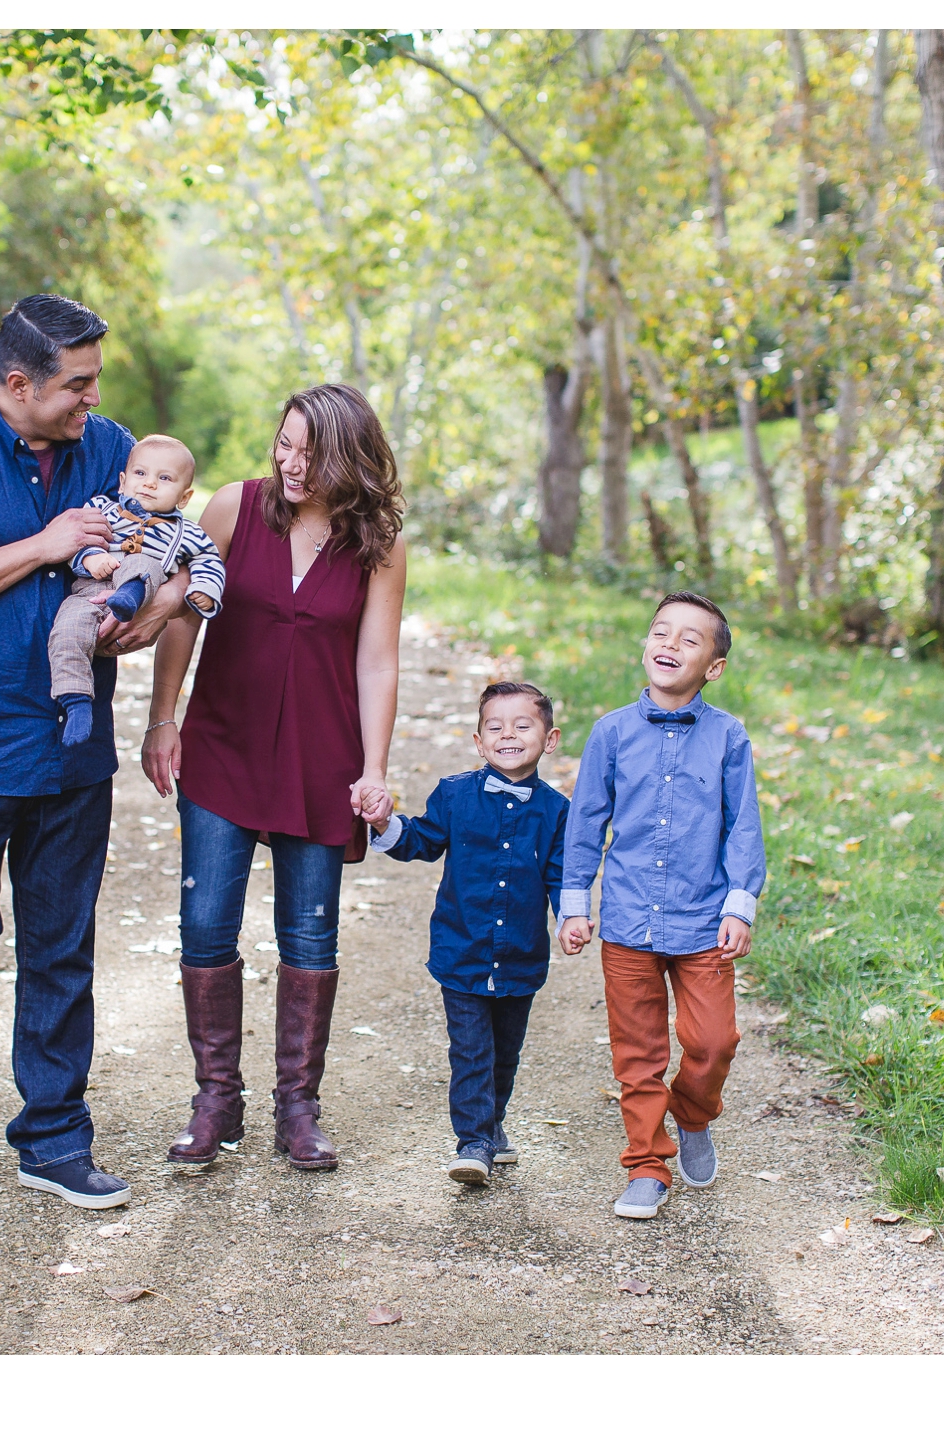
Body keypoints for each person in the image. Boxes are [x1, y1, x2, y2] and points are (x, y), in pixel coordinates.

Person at [0, 294, 194, 1211]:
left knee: (60, 944)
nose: (94, 402)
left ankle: (54, 1133)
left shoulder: (113, 449)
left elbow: (177, 557)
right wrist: (43, 546)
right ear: (18, 383)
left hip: (69, 749)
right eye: (77, 386)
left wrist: (159, 613)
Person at [140, 384, 407, 1174]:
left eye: (310, 452)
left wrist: (375, 766)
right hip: (223, 745)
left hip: (323, 758)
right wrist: (164, 717)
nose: (291, 463)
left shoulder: (378, 541)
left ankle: (299, 1107)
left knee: (311, 935)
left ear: (348, 458)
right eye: (284, 445)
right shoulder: (232, 507)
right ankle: (216, 1100)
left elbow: (378, 656)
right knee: (208, 925)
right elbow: (185, 613)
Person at [558, 592, 766, 1221]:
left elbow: (743, 825)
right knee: (638, 1052)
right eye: (660, 632)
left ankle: (694, 1113)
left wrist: (739, 904)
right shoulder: (611, 732)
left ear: (715, 666)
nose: (670, 645)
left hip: (703, 920)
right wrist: (575, 904)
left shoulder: (729, 736)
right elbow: (586, 822)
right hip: (627, 920)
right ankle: (647, 1164)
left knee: (713, 1041)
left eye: (690, 639)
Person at [354, 681, 570, 1186]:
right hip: (461, 951)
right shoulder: (454, 795)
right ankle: (472, 1141)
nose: (508, 735)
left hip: (520, 953)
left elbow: (561, 874)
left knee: (505, 1052)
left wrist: (570, 916)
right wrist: (386, 823)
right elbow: (423, 842)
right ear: (478, 741)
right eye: (494, 727)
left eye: (522, 725)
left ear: (550, 738)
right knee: (470, 1049)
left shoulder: (558, 811)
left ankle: (492, 1125)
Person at [48, 435, 225, 747]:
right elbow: (73, 543)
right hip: (89, 592)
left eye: (165, 478)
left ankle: (128, 595)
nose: (149, 484)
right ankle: (75, 700)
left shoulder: (186, 532)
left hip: (141, 592)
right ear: (122, 480)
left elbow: (208, 558)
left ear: (184, 497)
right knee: (66, 628)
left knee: (142, 562)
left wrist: (205, 588)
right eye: (140, 474)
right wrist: (91, 557)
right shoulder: (101, 509)